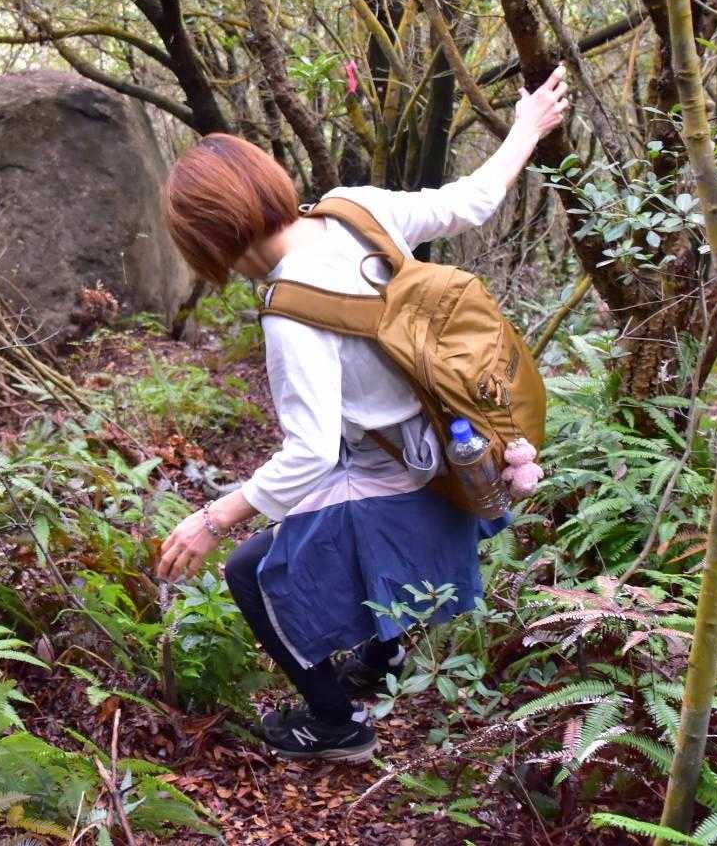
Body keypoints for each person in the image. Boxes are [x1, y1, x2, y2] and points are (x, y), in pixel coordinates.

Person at [153, 65, 570, 762]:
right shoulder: (353, 208)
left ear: (209, 238)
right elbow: (470, 202)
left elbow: (309, 454)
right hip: (464, 437)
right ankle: (383, 658)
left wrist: (213, 519)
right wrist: (526, 126)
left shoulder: (289, 316)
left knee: (249, 570)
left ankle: (336, 725)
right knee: (317, 503)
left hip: (411, 473)